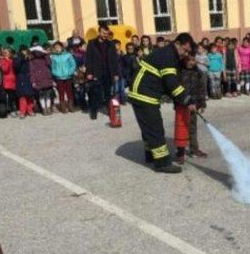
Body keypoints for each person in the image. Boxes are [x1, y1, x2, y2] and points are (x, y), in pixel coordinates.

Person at [127, 32, 197, 174]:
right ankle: (162, 163)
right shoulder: (168, 56)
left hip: (145, 92)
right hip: (143, 93)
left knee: (148, 127)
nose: (186, 54)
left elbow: (168, 82)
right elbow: (172, 83)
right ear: (177, 44)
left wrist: (180, 99)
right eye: (185, 50)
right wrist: (187, 100)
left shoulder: (170, 54)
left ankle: (151, 155)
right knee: (155, 127)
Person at [174, 53, 208, 163]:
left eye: (193, 60)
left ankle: (194, 149)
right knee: (181, 128)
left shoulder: (198, 73)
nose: (190, 62)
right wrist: (184, 102)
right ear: (184, 60)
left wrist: (202, 104)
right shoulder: (178, 72)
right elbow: (175, 90)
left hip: (194, 106)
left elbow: (202, 90)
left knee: (192, 128)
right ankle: (180, 152)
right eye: (188, 60)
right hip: (182, 106)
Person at [85, 24, 120, 119]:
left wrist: (116, 73)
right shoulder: (92, 43)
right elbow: (88, 59)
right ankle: (94, 111)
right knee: (95, 92)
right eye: (104, 33)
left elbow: (114, 60)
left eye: (107, 33)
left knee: (108, 93)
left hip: (108, 72)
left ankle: (110, 110)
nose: (105, 35)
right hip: (96, 72)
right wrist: (89, 72)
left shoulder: (111, 44)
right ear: (99, 32)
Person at [51, 41, 77, 112]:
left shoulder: (68, 55)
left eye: (58, 47)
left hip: (68, 77)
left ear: (62, 47)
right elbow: (53, 68)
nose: (57, 49)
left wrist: (70, 72)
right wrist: (56, 73)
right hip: (59, 78)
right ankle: (63, 107)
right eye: (55, 48)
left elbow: (73, 65)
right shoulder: (54, 57)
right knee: (61, 93)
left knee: (69, 92)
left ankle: (71, 106)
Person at [29, 45, 54, 115]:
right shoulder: (32, 61)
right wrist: (33, 81)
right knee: (41, 95)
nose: (37, 54)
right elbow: (32, 72)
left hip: (47, 78)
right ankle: (43, 108)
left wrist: (46, 54)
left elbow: (49, 63)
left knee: (48, 95)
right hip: (38, 80)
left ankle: (48, 107)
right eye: (36, 52)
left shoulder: (45, 58)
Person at [14, 45, 35, 118]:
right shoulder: (17, 58)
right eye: (23, 51)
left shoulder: (29, 58)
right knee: (22, 96)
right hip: (21, 77)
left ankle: (30, 109)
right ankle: (22, 111)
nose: (24, 52)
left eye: (25, 50)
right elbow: (16, 66)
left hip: (28, 77)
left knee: (30, 95)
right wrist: (22, 58)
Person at [0, 47, 18, 117]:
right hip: (7, 81)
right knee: (9, 96)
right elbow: (5, 70)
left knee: (13, 96)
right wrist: (7, 61)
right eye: (4, 53)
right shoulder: (3, 61)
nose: (5, 54)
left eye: (7, 53)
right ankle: (10, 110)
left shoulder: (12, 60)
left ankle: (14, 109)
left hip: (13, 80)